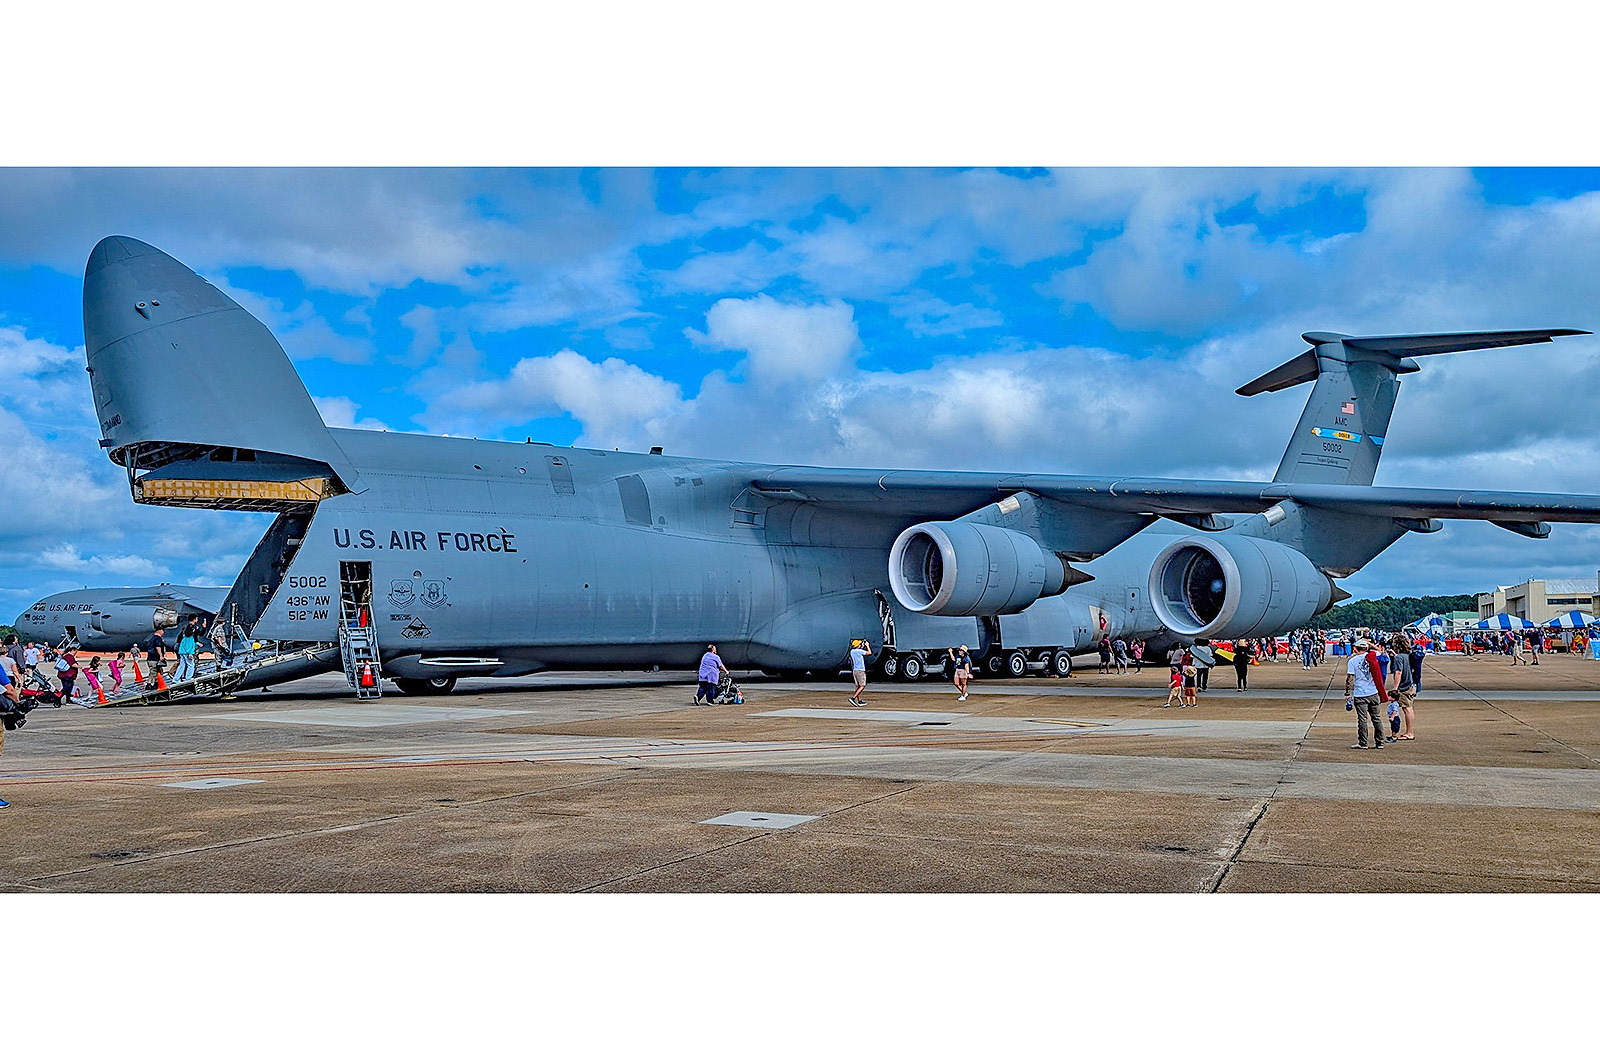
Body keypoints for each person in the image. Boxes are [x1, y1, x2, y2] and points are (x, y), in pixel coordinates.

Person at [1344, 637, 1390, 749]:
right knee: (1376, 718)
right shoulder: (1373, 657)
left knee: (1362, 719)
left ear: (1355, 649)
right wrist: (1370, 645)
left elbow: (1350, 678)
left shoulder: (1352, 661)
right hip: (1373, 692)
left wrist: (1347, 693)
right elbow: (1381, 652)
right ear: (1366, 648)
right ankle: (1380, 742)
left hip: (1360, 694)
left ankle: (1363, 743)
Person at [1388, 636, 1417, 741]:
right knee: (1410, 708)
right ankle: (1409, 731)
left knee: (1406, 709)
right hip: (1411, 685)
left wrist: (1395, 688)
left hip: (1404, 687)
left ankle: (1410, 733)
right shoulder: (1407, 656)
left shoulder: (1399, 658)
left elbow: (1398, 672)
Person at [847, 639, 873, 707]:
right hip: (860, 671)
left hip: (855, 670)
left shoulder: (852, 651)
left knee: (857, 686)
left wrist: (862, 646)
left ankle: (859, 701)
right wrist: (867, 645)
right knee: (862, 686)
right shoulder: (859, 651)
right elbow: (869, 652)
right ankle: (853, 698)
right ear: (858, 645)